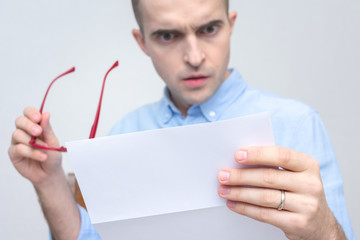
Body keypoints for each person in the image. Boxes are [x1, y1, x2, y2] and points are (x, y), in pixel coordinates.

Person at [8, 0, 355, 239]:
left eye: (208, 29)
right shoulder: (124, 133)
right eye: (167, 35)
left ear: (230, 25)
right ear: (142, 41)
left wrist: (322, 230)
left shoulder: (296, 124)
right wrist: (50, 180)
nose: (194, 56)